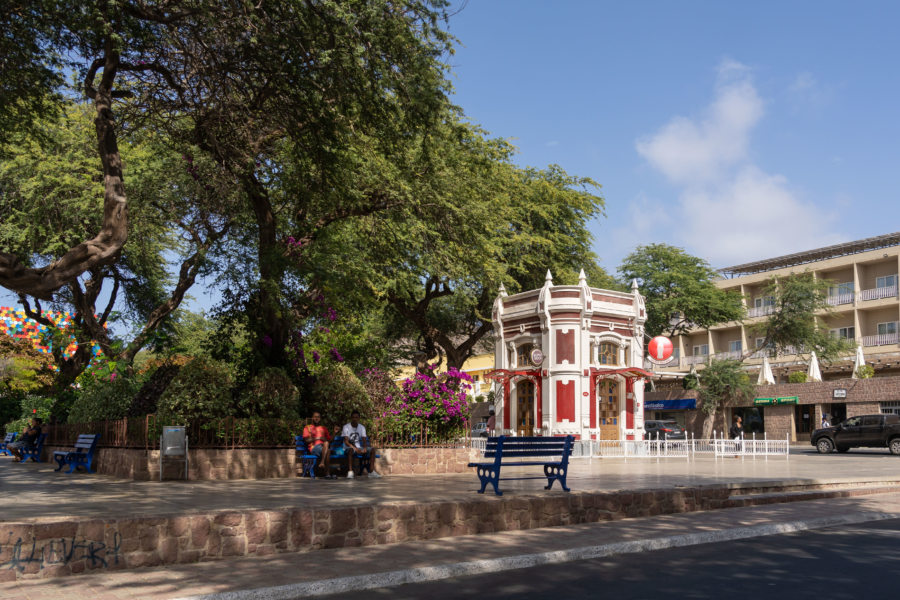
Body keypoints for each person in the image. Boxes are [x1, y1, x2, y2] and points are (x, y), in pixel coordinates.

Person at [342, 410, 382, 479]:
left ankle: (371, 472)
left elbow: (364, 440)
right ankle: (350, 472)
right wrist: (355, 449)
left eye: (356, 417)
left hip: (358, 447)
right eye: (353, 417)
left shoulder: (362, 427)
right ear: (351, 418)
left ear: (359, 418)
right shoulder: (346, 427)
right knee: (351, 450)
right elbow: (346, 441)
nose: (355, 419)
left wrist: (365, 448)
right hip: (348, 448)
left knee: (372, 450)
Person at [302, 411, 335, 479]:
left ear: (320, 419)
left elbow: (330, 440)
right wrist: (318, 438)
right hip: (314, 448)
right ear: (312, 418)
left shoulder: (324, 428)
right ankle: (326, 472)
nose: (316, 418)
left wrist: (334, 432)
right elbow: (306, 440)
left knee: (327, 446)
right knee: (327, 448)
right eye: (315, 417)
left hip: (323, 448)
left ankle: (324, 467)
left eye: (318, 417)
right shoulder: (307, 427)